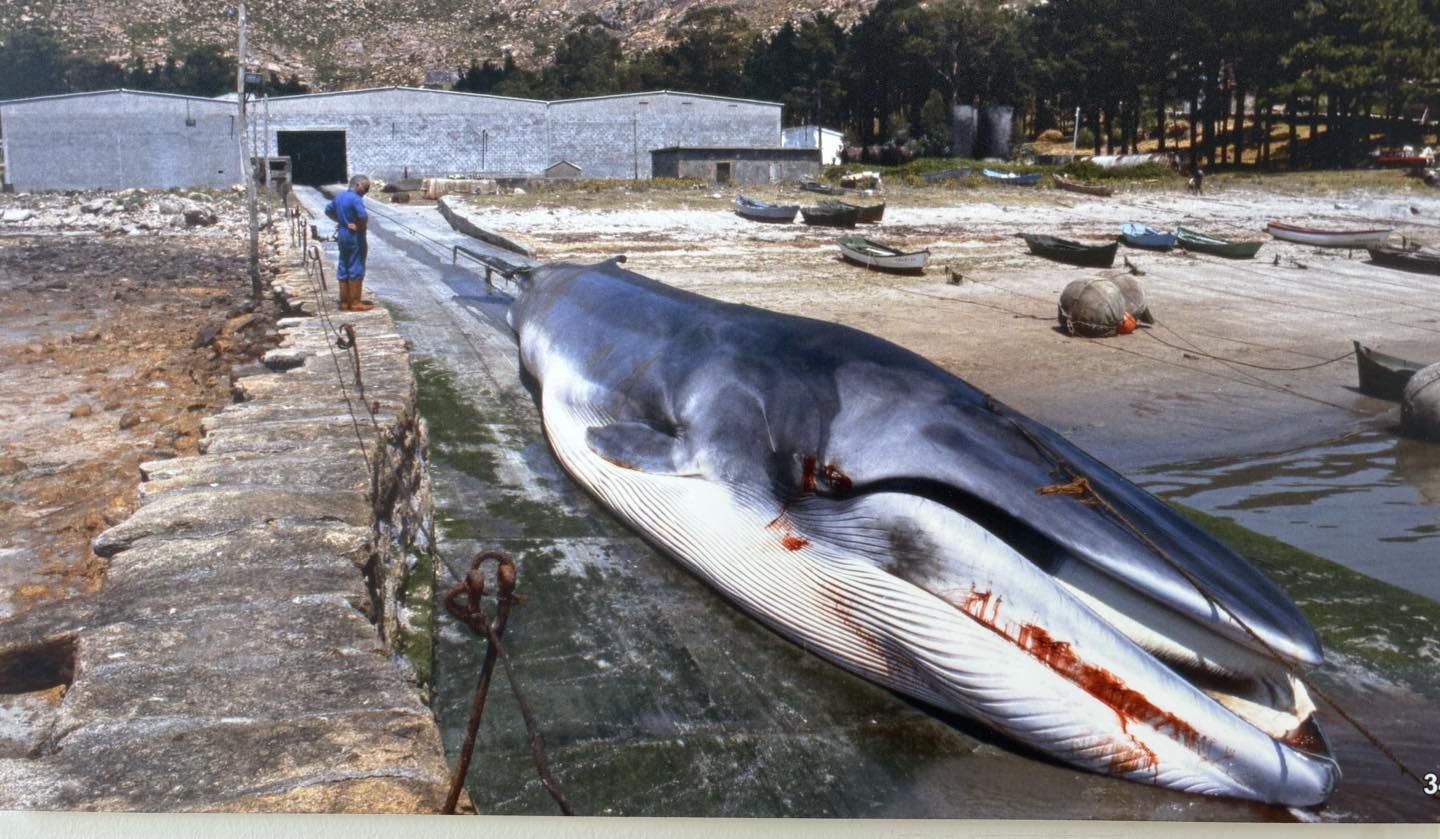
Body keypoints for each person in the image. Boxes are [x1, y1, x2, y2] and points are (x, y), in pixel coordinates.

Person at [329, 174, 374, 312]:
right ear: (357, 185)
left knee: (343, 263)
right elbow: (363, 216)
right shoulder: (356, 199)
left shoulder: (339, 197)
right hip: (355, 236)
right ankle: (355, 302)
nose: (366, 192)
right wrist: (359, 226)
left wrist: (341, 221)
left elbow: (328, 210)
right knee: (356, 264)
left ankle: (344, 302)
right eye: (366, 188)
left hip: (342, 234)